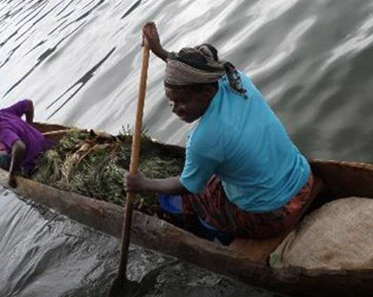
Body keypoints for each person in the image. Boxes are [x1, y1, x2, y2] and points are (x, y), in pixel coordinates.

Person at [124, 22, 317, 240]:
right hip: (304, 180)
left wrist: (143, 183)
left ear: (206, 92)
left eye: (182, 101)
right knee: (214, 173)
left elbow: (186, 186)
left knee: (191, 196)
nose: (175, 109)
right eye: (171, 101)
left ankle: (202, 237)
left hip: (271, 216)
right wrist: (160, 51)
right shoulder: (236, 81)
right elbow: (193, 72)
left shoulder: (204, 139)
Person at [0, 97, 51, 187]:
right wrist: (30, 125)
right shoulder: (6, 112)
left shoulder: (2, 130)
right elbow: (28, 104)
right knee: (6, 147)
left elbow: (20, 146)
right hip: (46, 147)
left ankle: (19, 170)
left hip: (33, 163)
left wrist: (12, 174)